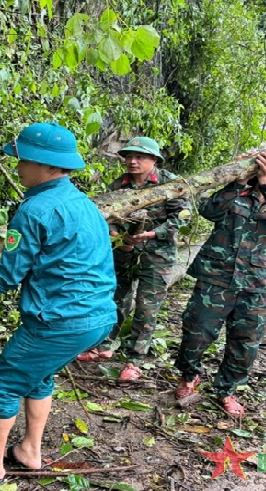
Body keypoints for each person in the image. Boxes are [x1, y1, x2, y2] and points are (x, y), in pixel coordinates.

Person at [0, 123, 116, 487]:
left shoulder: (35, 210)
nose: (18, 168)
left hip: (59, 321)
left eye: (23, 161)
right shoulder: (84, 203)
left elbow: (5, 277)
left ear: (44, 164)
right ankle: (29, 450)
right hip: (98, 317)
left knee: (1, 383)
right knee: (38, 375)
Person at [174, 152, 266, 418]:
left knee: (245, 342)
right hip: (216, 279)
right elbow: (208, 210)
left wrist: (265, 182)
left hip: (256, 285)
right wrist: (240, 180)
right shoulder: (236, 195)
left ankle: (227, 390)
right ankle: (188, 376)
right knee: (196, 332)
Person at [77, 137, 190, 386]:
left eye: (139, 157)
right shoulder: (119, 184)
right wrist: (117, 235)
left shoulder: (170, 183)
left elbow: (183, 216)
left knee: (147, 306)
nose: (132, 161)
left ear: (154, 160)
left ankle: (135, 360)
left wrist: (153, 233)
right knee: (115, 299)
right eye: (128, 156)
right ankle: (105, 345)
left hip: (157, 254)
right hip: (124, 251)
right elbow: (109, 215)